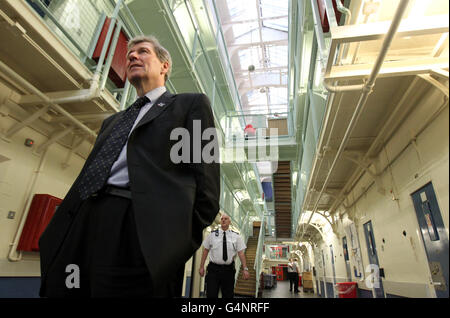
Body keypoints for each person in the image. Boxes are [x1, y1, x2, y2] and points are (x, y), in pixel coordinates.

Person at [38, 35, 220, 297]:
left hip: (137, 227)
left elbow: (207, 185)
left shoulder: (188, 106)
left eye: (143, 52)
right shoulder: (112, 122)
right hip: (83, 222)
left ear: (164, 66)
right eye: (130, 54)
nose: (132, 56)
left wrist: (174, 244)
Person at [198, 213, 250, 298]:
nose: (223, 220)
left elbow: (241, 253)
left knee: (228, 295)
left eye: (226, 219)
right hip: (213, 270)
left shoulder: (236, 236)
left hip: (228, 271)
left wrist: (245, 268)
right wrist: (201, 266)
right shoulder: (212, 235)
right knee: (211, 294)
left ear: (229, 221)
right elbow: (205, 251)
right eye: (222, 219)